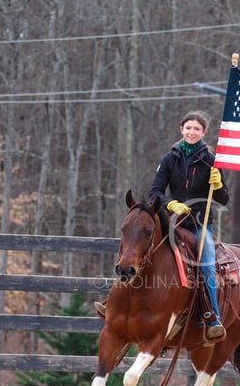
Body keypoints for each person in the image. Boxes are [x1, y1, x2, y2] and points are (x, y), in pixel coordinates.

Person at [94, 110, 229, 342]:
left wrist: (217, 185)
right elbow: (155, 191)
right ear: (181, 130)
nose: (192, 132)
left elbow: (224, 199)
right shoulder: (169, 159)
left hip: (199, 223)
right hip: (171, 222)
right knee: (137, 252)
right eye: (188, 128)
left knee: (206, 262)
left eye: (197, 129)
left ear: (204, 132)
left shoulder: (211, 161)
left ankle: (211, 317)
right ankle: (114, 304)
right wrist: (171, 204)